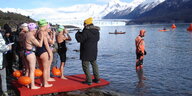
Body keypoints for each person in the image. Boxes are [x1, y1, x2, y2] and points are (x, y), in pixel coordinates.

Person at [75, 17, 100, 85]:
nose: (83, 25)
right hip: (94, 50)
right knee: (94, 64)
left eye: (84, 23)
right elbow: (94, 39)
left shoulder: (86, 31)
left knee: (85, 65)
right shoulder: (97, 31)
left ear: (86, 24)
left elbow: (80, 40)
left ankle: (89, 80)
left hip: (86, 51)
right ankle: (97, 79)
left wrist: (77, 34)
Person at [24, 23, 44, 89]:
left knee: (28, 70)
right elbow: (40, 45)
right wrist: (42, 38)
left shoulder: (26, 34)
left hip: (25, 52)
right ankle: (32, 86)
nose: (36, 31)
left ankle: (28, 84)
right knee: (32, 71)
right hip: (30, 53)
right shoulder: (31, 36)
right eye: (35, 30)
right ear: (33, 30)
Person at [36, 19, 53, 87]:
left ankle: (42, 82)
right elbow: (46, 44)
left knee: (41, 69)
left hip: (37, 51)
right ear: (45, 25)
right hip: (43, 51)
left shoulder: (37, 32)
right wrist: (50, 53)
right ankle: (45, 83)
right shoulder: (44, 32)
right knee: (45, 69)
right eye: (46, 24)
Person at [0, 30, 12, 96]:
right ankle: (4, 91)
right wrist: (8, 47)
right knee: (3, 76)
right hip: (1, 61)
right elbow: (1, 47)